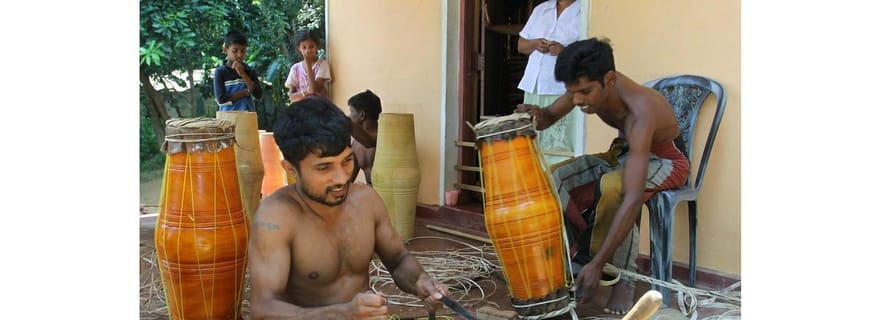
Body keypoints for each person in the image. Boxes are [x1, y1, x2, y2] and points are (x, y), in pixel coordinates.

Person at [515, 38, 689, 315]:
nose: (578, 101)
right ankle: (577, 258)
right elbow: (547, 117)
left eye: (584, 92)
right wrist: (534, 114)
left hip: (666, 161)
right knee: (553, 178)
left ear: (609, 79)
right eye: (572, 92)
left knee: (614, 188)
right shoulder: (584, 88)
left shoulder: (640, 111)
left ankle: (623, 278)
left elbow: (632, 198)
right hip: (623, 153)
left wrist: (597, 265)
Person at [248, 97, 448, 319]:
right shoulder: (276, 218)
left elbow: (398, 259)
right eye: (324, 168)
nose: (342, 177)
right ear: (290, 168)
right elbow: (263, 309)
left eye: (347, 161)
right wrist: (342, 314)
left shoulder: (366, 200)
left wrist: (421, 281)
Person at [516, 0, 581, 167]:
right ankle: (536, 180)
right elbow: (521, 46)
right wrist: (534, 44)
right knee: (533, 138)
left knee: (561, 143)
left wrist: (565, 51)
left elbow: (590, 53)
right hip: (535, 85)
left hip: (562, 88)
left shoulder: (583, 9)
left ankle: (559, 180)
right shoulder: (542, 9)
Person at [213, 31, 263, 112]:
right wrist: (245, 92)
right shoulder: (220, 72)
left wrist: (243, 74)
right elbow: (221, 99)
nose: (239, 55)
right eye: (235, 51)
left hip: (248, 118)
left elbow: (258, 95)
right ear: (226, 50)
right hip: (228, 119)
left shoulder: (249, 71)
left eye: (243, 51)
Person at [286, 29, 332, 103]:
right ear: (299, 48)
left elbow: (314, 89)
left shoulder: (323, 64)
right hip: (302, 111)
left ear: (317, 47)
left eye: (311, 47)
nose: (308, 50)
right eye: (304, 47)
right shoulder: (295, 68)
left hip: (319, 110)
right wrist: (307, 91)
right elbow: (291, 97)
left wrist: (308, 63)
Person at [347, 89, 382, 186]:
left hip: (390, 197)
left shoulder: (384, 136)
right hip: (371, 195)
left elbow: (369, 142)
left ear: (362, 115)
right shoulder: (356, 144)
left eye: (351, 111)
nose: (349, 115)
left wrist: (344, 121)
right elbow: (349, 180)